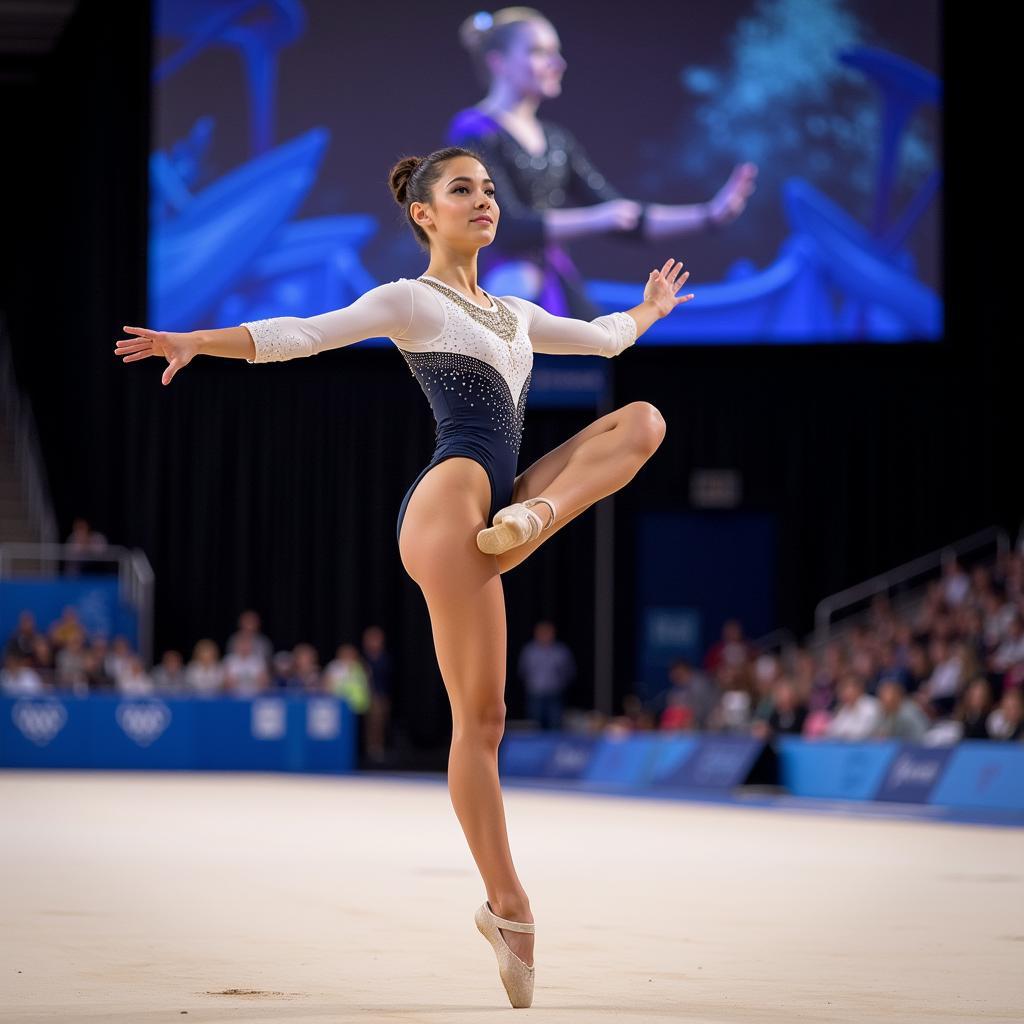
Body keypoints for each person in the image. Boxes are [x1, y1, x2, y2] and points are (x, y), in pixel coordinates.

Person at [115, 144, 686, 1009]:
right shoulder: (408, 300)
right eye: (464, 190)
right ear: (423, 212)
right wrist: (198, 339)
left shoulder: (518, 313)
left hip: (501, 508)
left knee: (642, 420)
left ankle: (535, 516)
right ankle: (510, 904)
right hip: (449, 503)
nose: (485, 201)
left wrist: (645, 309)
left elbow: (606, 338)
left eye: (492, 191)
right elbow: (302, 335)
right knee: (478, 723)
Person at [449, 7, 756, 319]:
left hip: (553, 285)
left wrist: (709, 215)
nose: (557, 63)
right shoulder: (475, 132)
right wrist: (597, 218)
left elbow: (618, 214)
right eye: (539, 52)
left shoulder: (557, 140)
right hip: (499, 290)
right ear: (498, 62)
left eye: (557, 53)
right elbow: (505, 226)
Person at [517, 620, 575, 730]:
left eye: (547, 633)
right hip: (535, 693)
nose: (545, 636)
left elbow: (569, 671)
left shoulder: (560, 651)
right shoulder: (529, 651)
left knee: (555, 723)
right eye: (542, 633)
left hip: (554, 693)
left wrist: (561, 685)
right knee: (534, 724)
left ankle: (555, 746)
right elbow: (523, 671)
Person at [361, 625, 393, 763]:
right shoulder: (363, 659)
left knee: (380, 722)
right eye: (372, 639)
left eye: (377, 639)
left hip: (382, 694)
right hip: (368, 696)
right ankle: (371, 749)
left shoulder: (384, 658)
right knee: (371, 723)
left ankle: (379, 748)